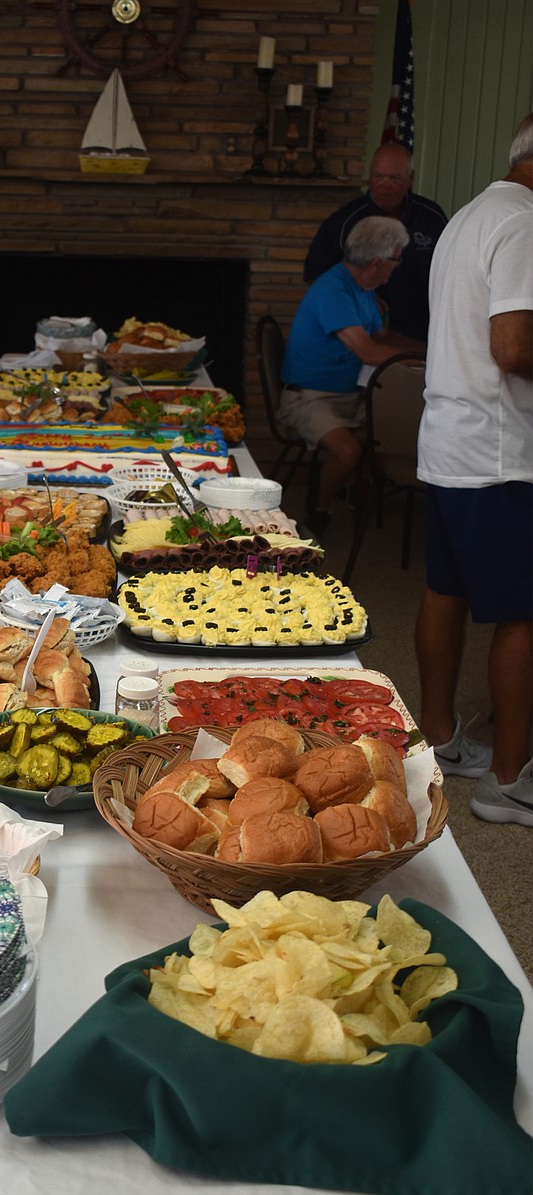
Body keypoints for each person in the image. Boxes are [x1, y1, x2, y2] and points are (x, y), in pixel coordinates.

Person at [414, 113, 533, 827]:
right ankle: (509, 781)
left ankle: (439, 737)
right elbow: (512, 346)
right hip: (499, 450)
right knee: (523, 613)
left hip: (449, 440)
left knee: (445, 591)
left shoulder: (469, 215)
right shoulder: (524, 222)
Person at [277, 215, 424, 538]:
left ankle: (353, 487)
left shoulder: (363, 287)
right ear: (376, 262)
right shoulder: (334, 290)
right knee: (348, 452)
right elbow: (368, 352)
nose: (396, 267)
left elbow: (382, 337)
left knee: (392, 431)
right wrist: (428, 361)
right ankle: (319, 510)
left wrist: (430, 350)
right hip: (308, 397)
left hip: (351, 395)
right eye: (396, 260)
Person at [303, 143, 447, 342]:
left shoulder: (431, 217)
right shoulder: (345, 221)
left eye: (395, 178)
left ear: (410, 178)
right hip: (364, 329)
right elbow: (316, 275)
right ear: (370, 175)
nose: (385, 185)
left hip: (424, 327)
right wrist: (359, 297)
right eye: (378, 176)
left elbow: (453, 270)